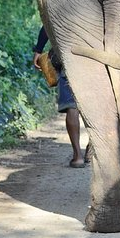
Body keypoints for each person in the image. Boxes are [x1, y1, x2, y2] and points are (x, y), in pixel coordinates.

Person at [32, 25, 90, 168]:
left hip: (68, 55)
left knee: (71, 105)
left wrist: (38, 50)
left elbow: (48, 24)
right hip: (94, 55)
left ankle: (78, 156)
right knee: (95, 105)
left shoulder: (60, 1)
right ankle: (92, 147)